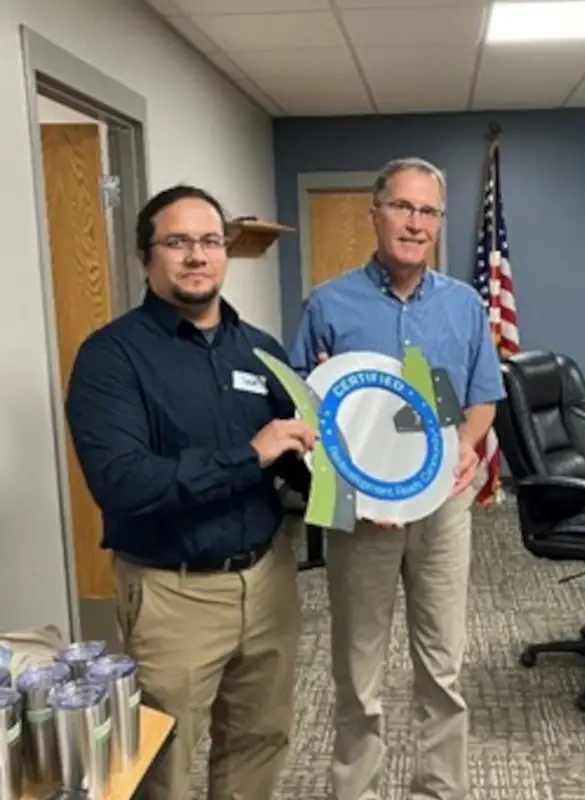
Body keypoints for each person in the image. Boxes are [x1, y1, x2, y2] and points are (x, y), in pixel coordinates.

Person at [64, 184, 316, 800]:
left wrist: (359, 475)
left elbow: (296, 461)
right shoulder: (111, 358)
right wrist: (247, 454)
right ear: (146, 257)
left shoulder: (260, 349)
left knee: (261, 739)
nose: (197, 256)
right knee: (164, 760)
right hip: (171, 593)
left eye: (210, 241)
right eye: (177, 242)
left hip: (267, 580)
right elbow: (122, 483)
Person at [289, 157, 505, 800]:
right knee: (358, 665)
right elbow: (303, 405)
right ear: (375, 214)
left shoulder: (465, 305)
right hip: (361, 511)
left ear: (439, 222)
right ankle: (355, 788)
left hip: (441, 510)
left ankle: (442, 788)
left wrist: (466, 447)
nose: (415, 223)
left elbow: (483, 399)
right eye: (403, 207)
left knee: (442, 662)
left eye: (428, 211)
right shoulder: (329, 302)